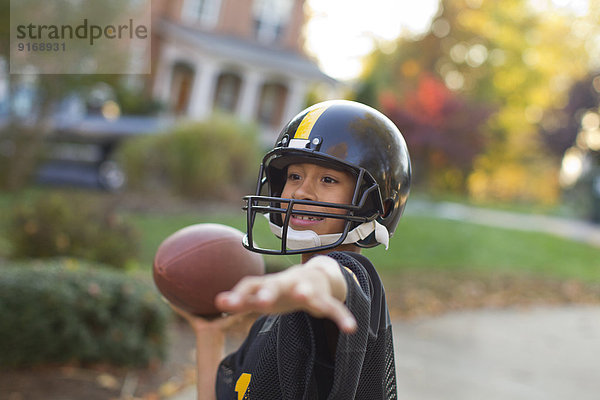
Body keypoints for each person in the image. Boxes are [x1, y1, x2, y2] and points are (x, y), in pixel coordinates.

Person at [176, 100, 411, 400]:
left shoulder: (354, 282)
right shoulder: (271, 319)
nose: (301, 191)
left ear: (377, 205)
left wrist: (308, 280)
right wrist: (209, 333)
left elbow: (332, 276)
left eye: (328, 180)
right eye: (295, 176)